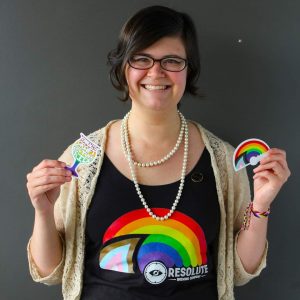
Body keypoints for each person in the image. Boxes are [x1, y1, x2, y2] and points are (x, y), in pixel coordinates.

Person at [26, 5, 290, 300]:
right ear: (123, 67)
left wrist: (262, 203)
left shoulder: (223, 161)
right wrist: (43, 210)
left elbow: (242, 270)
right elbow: (50, 271)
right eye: (141, 59)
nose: (156, 72)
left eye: (172, 60)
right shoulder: (81, 158)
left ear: (188, 70)